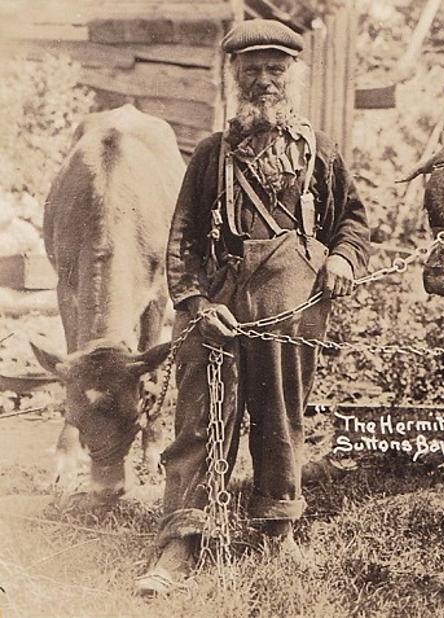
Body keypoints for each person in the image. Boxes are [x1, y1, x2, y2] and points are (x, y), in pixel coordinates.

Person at [135, 18, 370, 596]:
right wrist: (192, 302)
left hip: (293, 311)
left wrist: (341, 260)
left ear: (294, 75)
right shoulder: (212, 154)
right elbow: (183, 234)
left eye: (275, 69)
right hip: (218, 305)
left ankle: (277, 531)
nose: (263, 80)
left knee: (283, 421)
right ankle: (180, 543)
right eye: (251, 70)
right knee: (199, 423)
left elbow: (355, 223)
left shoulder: (322, 152)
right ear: (233, 75)